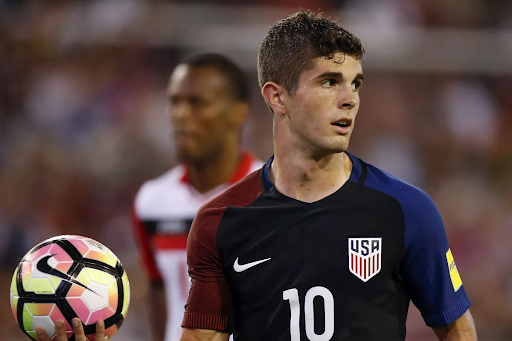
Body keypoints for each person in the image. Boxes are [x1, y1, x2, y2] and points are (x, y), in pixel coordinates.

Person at [180, 11, 477, 341]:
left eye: (356, 84)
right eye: (329, 82)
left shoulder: (406, 210)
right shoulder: (220, 222)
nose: (350, 99)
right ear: (277, 97)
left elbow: (457, 330)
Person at [132, 53, 263, 341]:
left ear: (238, 112)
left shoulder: (273, 195)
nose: (179, 114)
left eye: (196, 102)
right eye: (174, 102)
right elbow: (158, 287)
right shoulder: (152, 202)